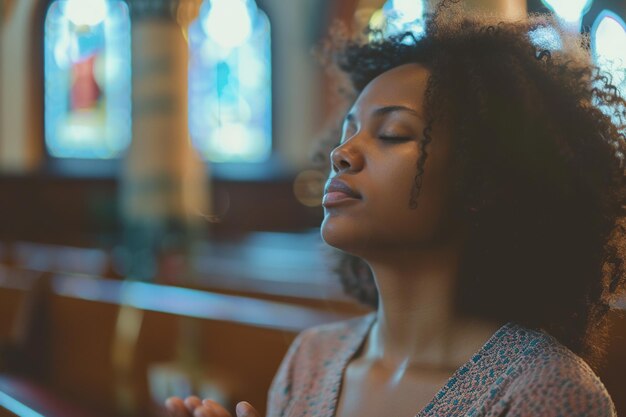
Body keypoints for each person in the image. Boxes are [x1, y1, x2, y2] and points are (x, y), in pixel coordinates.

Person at [166, 1, 626, 416]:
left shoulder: (546, 392)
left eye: (392, 134)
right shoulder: (311, 360)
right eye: (349, 131)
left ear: (482, 181)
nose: (342, 153)